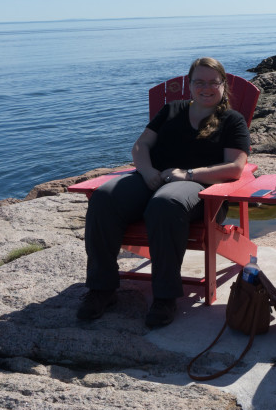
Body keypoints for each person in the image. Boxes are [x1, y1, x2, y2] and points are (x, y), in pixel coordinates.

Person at [80, 57, 251, 329]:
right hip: (152, 177)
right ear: (189, 85)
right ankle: (102, 289)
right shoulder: (172, 110)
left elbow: (235, 167)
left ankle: (164, 296)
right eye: (199, 82)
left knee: (164, 203)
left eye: (212, 82)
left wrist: (190, 174)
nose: (206, 88)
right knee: (103, 197)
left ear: (223, 85)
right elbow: (141, 146)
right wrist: (146, 171)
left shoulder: (232, 120)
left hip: (199, 189)